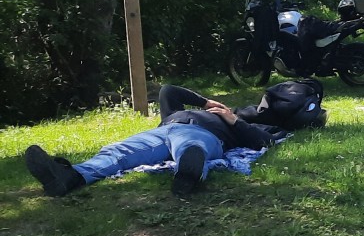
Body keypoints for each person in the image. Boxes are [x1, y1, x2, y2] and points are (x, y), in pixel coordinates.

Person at [22, 84, 288, 199]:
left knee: (191, 147)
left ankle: (189, 174)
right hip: (163, 131)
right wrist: (205, 102)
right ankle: (70, 177)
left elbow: (266, 141)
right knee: (119, 151)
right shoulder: (174, 111)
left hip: (203, 135)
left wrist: (233, 120)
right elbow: (168, 90)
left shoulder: (235, 123)